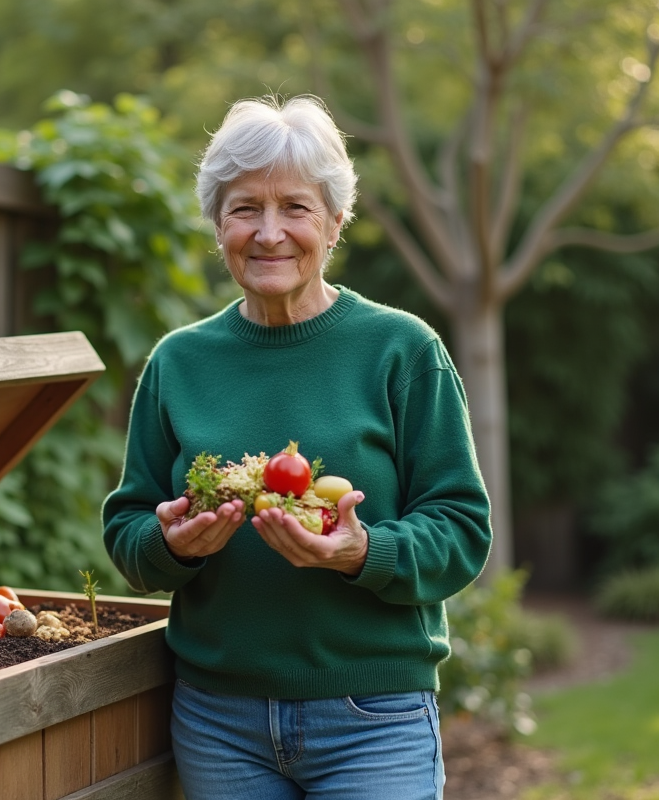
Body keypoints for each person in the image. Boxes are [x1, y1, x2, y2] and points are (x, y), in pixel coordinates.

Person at [102, 95, 492, 800]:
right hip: (218, 721)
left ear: (336, 222)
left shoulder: (402, 351)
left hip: (374, 717)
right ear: (218, 223)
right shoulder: (178, 362)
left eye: (296, 208)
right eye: (245, 207)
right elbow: (128, 529)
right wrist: (172, 546)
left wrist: (361, 551)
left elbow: (463, 529)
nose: (269, 233)